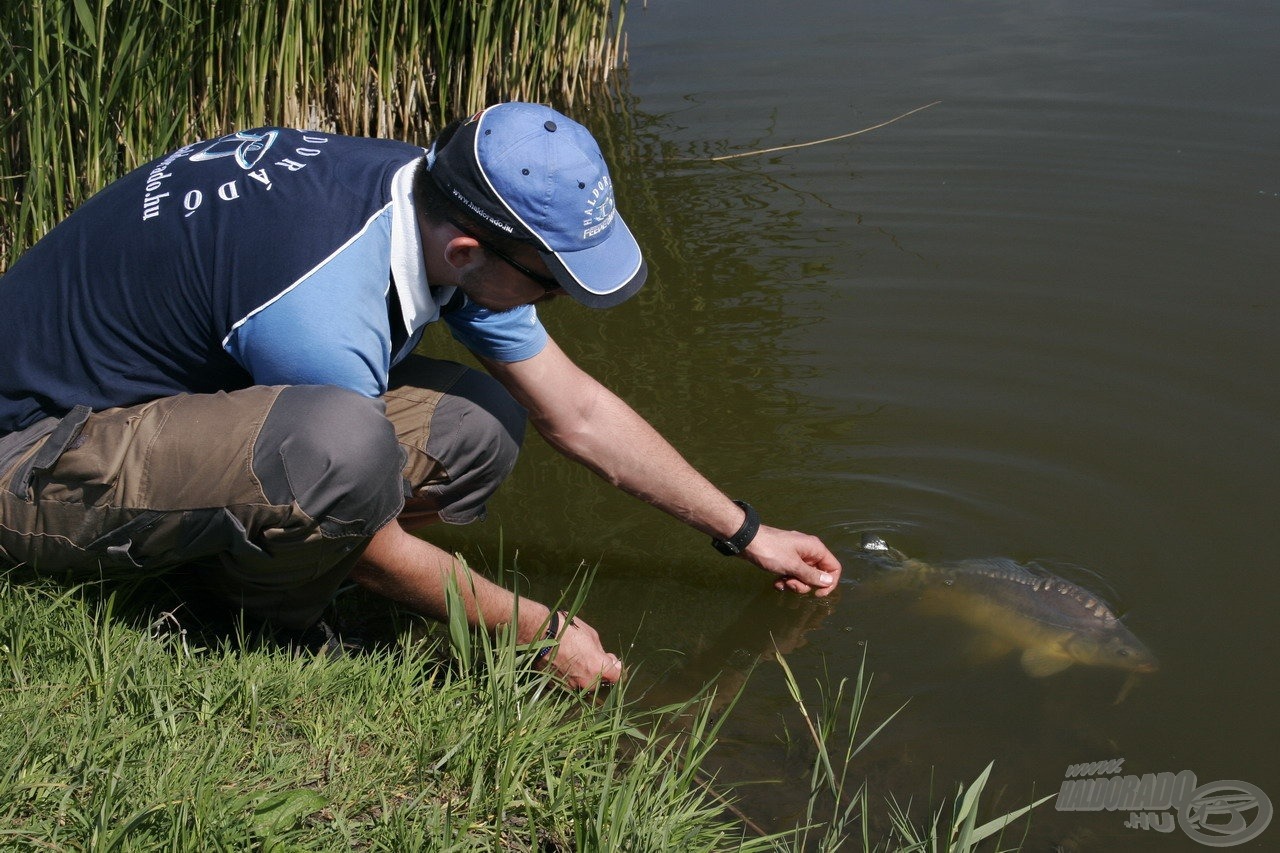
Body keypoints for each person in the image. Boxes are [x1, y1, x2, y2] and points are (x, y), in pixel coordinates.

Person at [0, 102, 841, 689]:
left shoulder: (424, 196)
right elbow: (358, 509)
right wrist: (534, 630)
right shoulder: (323, 302)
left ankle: (274, 562)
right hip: (31, 456)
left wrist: (745, 530)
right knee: (340, 449)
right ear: (472, 250)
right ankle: (252, 621)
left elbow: (574, 411)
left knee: (480, 422)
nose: (556, 304)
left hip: (153, 410)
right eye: (550, 286)